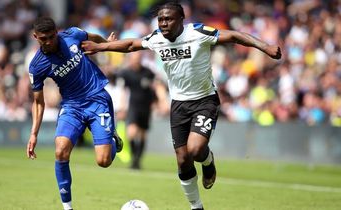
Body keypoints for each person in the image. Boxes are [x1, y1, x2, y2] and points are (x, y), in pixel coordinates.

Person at [81, 2, 281, 210]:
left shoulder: (197, 33)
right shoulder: (157, 38)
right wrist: (100, 46)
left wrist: (264, 47)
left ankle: (208, 162)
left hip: (205, 100)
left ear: (181, 20)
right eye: (161, 19)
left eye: (168, 19)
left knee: (195, 149)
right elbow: (131, 45)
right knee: (182, 158)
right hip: (178, 105)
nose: (163, 23)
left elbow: (233, 35)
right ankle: (197, 207)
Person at [26, 17, 123, 210]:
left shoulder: (72, 35)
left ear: (57, 32)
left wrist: (106, 43)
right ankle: (67, 207)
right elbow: (38, 102)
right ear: (35, 37)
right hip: (72, 106)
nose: (48, 42)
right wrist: (33, 134)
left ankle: (113, 140)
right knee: (60, 150)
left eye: (52, 37)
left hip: (97, 99)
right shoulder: (37, 66)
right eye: (43, 39)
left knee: (103, 161)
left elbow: (92, 36)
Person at [117, 51, 166, 170]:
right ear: (130, 59)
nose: (136, 60)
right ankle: (134, 157)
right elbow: (123, 91)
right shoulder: (126, 73)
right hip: (133, 106)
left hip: (146, 106)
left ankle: (138, 160)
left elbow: (157, 86)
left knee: (143, 135)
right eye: (134, 58)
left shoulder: (148, 72)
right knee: (131, 133)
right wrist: (122, 107)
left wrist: (161, 102)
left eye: (138, 58)